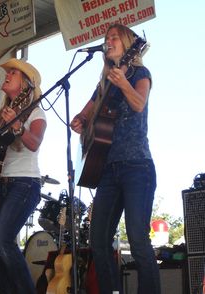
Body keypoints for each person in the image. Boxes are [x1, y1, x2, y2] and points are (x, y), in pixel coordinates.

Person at [70, 24, 160, 294]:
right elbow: (85, 115)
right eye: (106, 38)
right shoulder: (103, 84)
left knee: (138, 239)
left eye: (114, 38)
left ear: (127, 44)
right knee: (98, 241)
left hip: (136, 167)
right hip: (107, 170)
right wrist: (80, 122)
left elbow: (139, 103)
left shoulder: (139, 73)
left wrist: (123, 83)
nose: (108, 41)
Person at [0, 58, 46, 294]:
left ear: (25, 84)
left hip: (24, 183)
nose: (7, 74)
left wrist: (18, 127)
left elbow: (34, 144)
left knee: (3, 240)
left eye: (13, 72)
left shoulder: (36, 112)